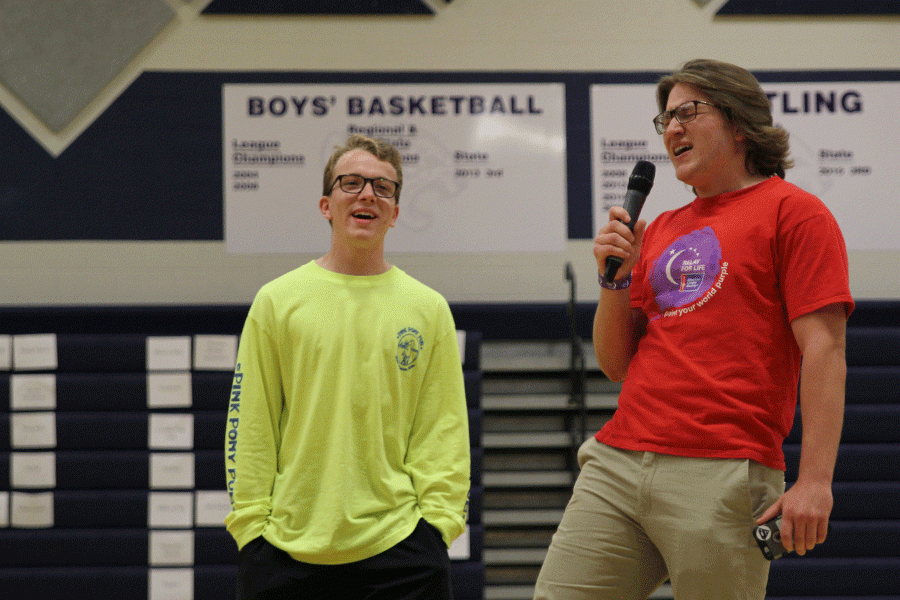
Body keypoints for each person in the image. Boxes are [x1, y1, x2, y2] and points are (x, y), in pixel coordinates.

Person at [534, 59, 854, 600]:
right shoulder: (659, 228)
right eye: (666, 121)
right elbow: (616, 365)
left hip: (723, 471)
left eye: (688, 112)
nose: (673, 129)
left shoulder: (795, 214)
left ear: (740, 122)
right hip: (617, 462)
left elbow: (824, 348)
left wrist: (816, 481)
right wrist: (615, 279)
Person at [225, 134, 470, 600]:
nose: (367, 195)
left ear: (395, 213)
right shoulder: (277, 301)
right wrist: (252, 530)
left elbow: (444, 429)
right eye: (351, 183)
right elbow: (250, 421)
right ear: (326, 204)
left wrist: (437, 525)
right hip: (284, 553)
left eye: (382, 188)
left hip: (402, 552)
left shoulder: (428, 308)